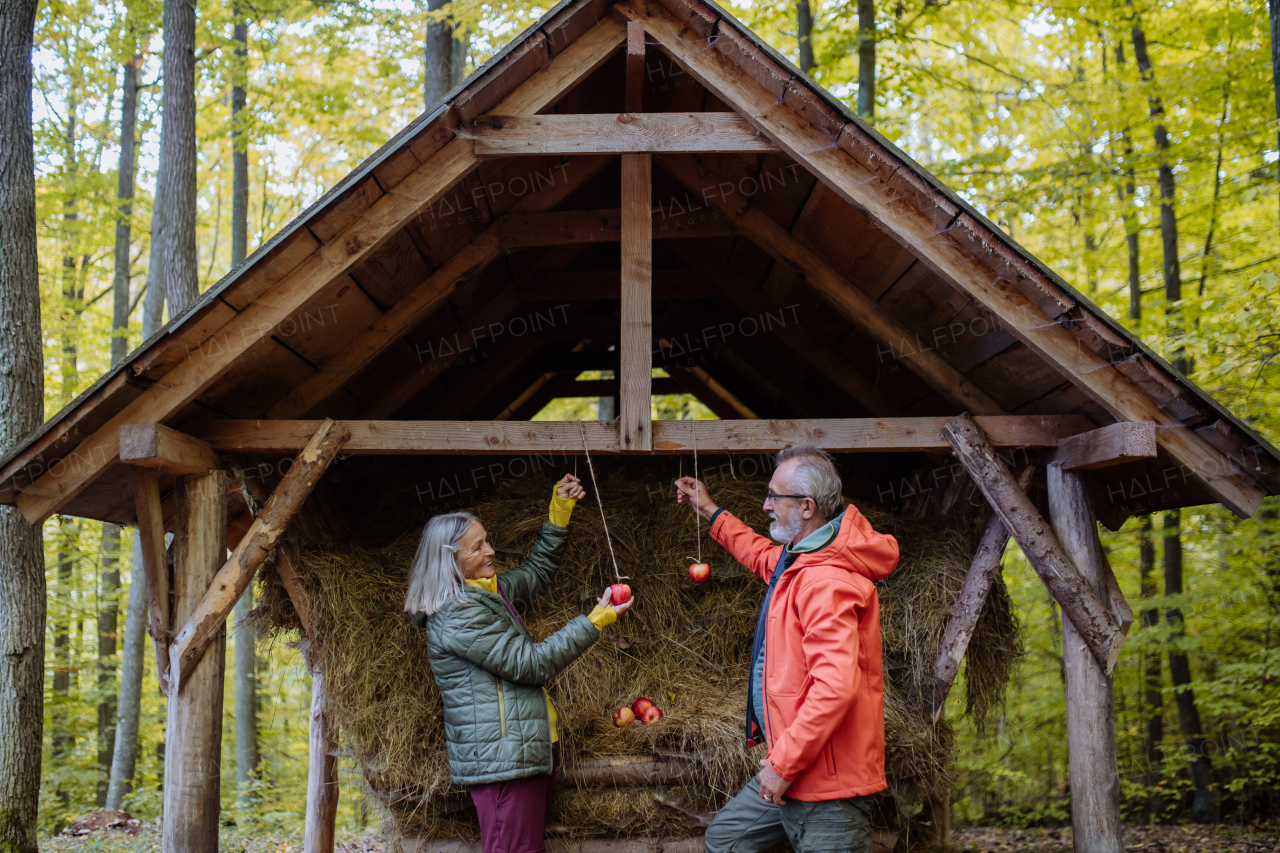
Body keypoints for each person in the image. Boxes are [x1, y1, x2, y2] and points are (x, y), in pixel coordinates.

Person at [674, 445, 899, 853]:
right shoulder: (802, 560)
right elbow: (763, 556)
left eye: (774, 496)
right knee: (726, 841)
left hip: (827, 785)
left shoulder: (824, 581)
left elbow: (835, 688)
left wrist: (781, 765)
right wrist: (709, 510)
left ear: (807, 506)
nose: (765, 505)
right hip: (799, 768)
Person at [405, 473, 634, 853]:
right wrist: (595, 621)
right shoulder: (457, 614)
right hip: (503, 761)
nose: (491, 551)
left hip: (524, 750)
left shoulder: (485, 593)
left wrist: (559, 509)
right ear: (452, 560)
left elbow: (537, 573)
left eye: (487, 541)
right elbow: (530, 664)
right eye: (478, 547)